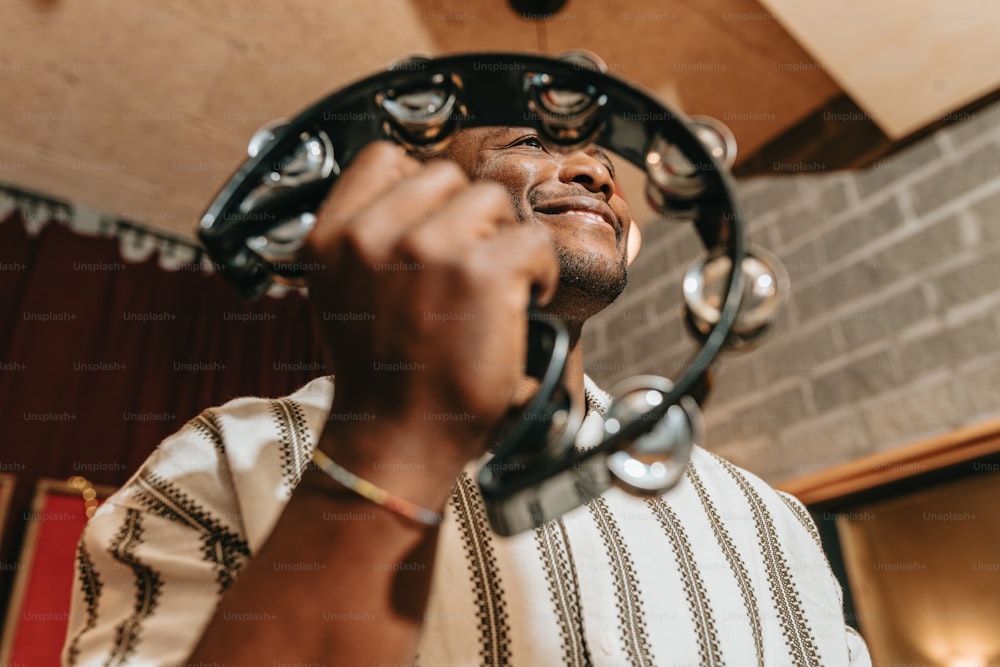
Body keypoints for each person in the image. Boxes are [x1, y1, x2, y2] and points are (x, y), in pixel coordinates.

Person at [63, 126, 871, 666]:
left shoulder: (769, 517)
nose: (596, 169)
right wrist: (386, 446)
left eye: (604, 161)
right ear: (419, 192)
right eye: (534, 140)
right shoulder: (230, 458)